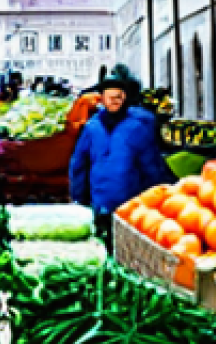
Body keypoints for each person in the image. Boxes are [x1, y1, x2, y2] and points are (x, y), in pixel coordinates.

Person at [69, 66, 169, 233]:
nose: (114, 101)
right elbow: (79, 164)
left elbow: (151, 168)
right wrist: (80, 198)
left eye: (118, 96)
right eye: (109, 96)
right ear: (102, 99)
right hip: (99, 206)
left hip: (130, 210)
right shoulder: (92, 128)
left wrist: (154, 203)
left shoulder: (138, 128)